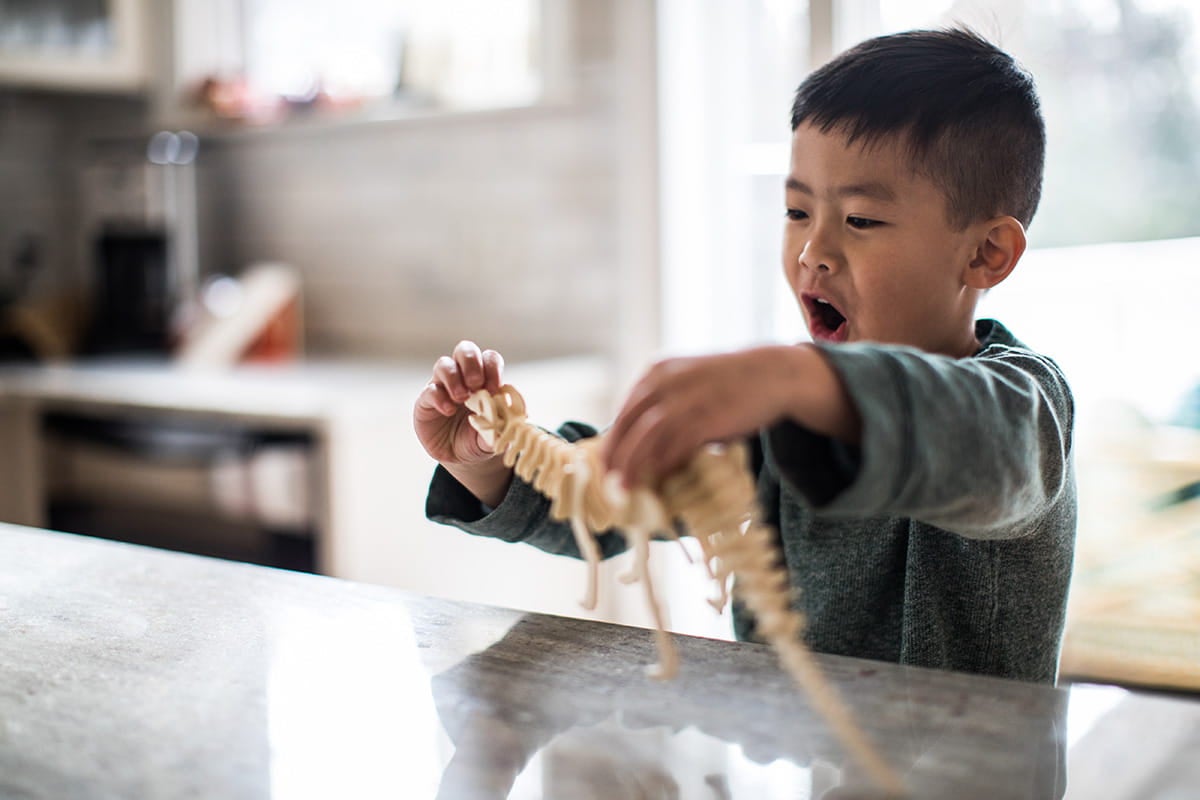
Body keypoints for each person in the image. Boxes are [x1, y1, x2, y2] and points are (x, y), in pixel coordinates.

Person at [414, 28, 1076, 685]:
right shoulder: (785, 415)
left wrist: (794, 377)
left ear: (986, 254)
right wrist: (494, 463)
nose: (813, 251)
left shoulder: (1025, 407)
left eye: (861, 221)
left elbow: (979, 440)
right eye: (796, 211)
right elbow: (611, 495)